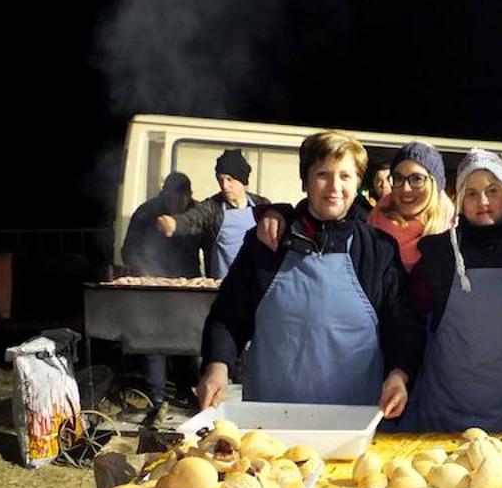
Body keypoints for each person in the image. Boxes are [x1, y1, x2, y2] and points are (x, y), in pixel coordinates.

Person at [196, 130, 424, 417]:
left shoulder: (378, 250)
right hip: (271, 418)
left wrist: (399, 374)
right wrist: (218, 366)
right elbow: (227, 316)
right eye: (322, 174)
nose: (334, 186)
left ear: (357, 184)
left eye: (345, 176)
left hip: (354, 418)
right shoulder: (268, 243)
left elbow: (402, 324)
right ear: (305, 181)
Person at [401, 149, 502, 433]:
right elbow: (409, 320)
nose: (483, 201)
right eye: (471, 193)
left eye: (492, 190)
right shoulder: (439, 254)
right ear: (460, 202)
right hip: (448, 416)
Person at [120, 171, 200, 410]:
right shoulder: (146, 213)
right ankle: (157, 396)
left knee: (188, 340)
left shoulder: (195, 213)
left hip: (187, 286)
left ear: (189, 195)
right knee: (156, 342)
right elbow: (129, 250)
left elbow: (208, 245)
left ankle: (185, 391)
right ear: (163, 193)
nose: (173, 203)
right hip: (154, 286)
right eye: (169, 196)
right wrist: (146, 272)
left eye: (179, 198)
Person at [156, 148, 270, 278]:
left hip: (254, 286)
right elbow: (194, 218)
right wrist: (174, 224)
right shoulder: (213, 207)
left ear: (242, 180)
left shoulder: (262, 206)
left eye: (229, 179)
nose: (224, 185)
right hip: (220, 288)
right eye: (220, 180)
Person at [366, 142, 455, 273]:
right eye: (398, 178)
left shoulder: (454, 237)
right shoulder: (369, 232)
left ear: (435, 184)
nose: (406, 188)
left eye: (417, 179)